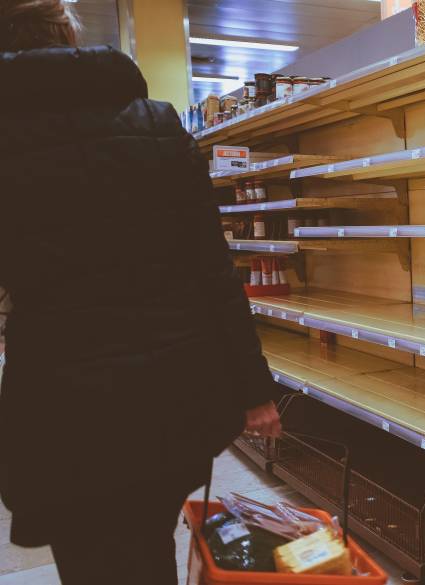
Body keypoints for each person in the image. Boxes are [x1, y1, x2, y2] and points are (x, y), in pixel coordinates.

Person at [0, 1, 282, 583]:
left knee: (86, 555)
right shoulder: (156, 123)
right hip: (169, 391)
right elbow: (212, 269)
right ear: (69, 34)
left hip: (60, 399)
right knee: (151, 546)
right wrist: (253, 389)